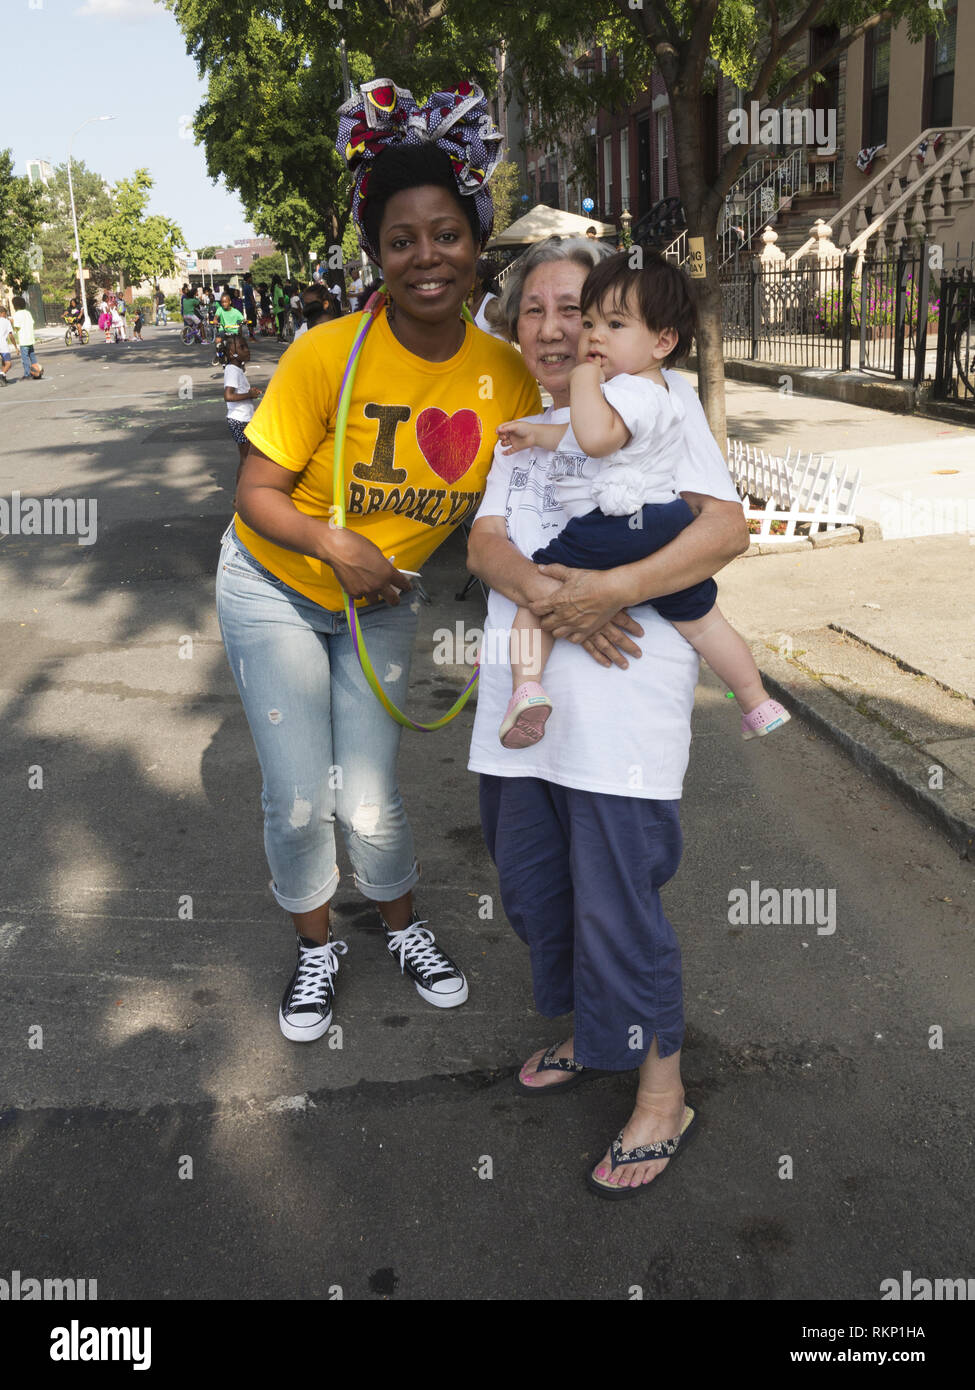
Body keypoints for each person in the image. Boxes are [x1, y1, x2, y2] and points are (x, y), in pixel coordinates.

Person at [216, 76, 538, 1045]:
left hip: (381, 602)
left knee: (368, 793)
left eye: (446, 233)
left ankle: (400, 925)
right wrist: (332, 544)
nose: (426, 256)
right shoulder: (327, 353)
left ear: (476, 243)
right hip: (274, 586)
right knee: (298, 797)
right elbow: (255, 492)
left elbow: (530, 502)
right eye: (401, 240)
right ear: (378, 256)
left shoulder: (507, 376)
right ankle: (317, 946)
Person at [466, 235, 751, 1197]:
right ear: (516, 327)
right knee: (536, 894)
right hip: (521, 713)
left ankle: (661, 1094)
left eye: (580, 309)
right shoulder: (524, 430)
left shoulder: (658, 407)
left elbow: (723, 528)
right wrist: (558, 601)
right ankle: (597, 1035)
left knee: (619, 906)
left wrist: (612, 591)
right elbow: (486, 546)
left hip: (620, 723)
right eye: (539, 310)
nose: (561, 330)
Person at [494, 252, 789, 748]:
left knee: (539, 598)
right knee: (705, 622)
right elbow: (586, 435)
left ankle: (526, 687)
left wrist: (583, 379)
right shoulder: (656, 394)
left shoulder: (629, 389)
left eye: (614, 324)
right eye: (591, 323)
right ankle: (756, 699)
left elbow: (594, 439)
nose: (594, 338)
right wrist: (537, 434)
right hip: (664, 525)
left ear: (663, 341)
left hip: (615, 525)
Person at [223, 335, 261, 481]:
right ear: (232, 353)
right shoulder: (232, 370)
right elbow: (228, 396)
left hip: (243, 418)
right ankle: (241, 492)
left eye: (246, 346)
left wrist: (250, 393)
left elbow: (238, 391)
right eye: (242, 347)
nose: (247, 350)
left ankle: (246, 489)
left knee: (248, 458)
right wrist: (249, 395)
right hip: (239, 420)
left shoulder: (236, 369)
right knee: (246, 459)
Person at [469, 257, 505, 339]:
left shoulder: (493, 304)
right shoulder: (464, 304)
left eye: (469, 276)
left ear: (480, 280)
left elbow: (503, 341)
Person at [214, 290, 248, 361]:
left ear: (230, 302)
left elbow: (242, 319)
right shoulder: (220, 309)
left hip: (234, 331)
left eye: (225, 302)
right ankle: (218, 355)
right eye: (222, 302)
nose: (224, 304)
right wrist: (215, 320)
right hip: (223, 330)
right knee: (218, 340)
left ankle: (240, 359)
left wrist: (244, 321)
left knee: (238, 344)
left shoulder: (236, 312)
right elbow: (216, 317)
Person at [11, 296, 39, 378]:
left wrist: (12, 323)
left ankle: (27, 374)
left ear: (15, 305)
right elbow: (32, 323)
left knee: (25, 359)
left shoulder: (16, 314)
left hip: (23, 340)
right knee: (33, 358)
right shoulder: (28, 313)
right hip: (30, 339)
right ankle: (36, 372)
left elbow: (16, 328)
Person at [0, 304, 14, 386]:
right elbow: (11, 335)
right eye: (5, 313)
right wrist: (15, 346)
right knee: (8, 363)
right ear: (2, 313)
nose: (6, 315)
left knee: (3, 363)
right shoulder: (6, 321)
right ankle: (1, 375)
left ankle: (3, 379)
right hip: (3, 345)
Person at [242, 272, 258, 339]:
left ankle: (251, 335)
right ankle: (251, 336)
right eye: (251, 278)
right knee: (252, 321)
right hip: (250, 306)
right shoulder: (249, 287)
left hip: (247, 306)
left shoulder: (245, 286)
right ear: (248, 278)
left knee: (249, 320)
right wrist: (255, 306)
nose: (252, 279)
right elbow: (251, 297)